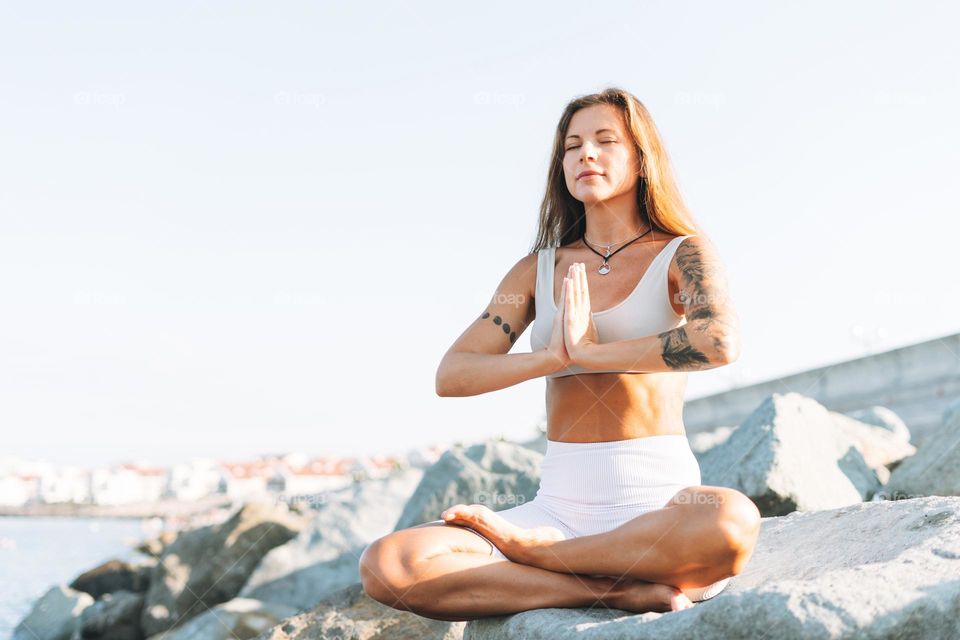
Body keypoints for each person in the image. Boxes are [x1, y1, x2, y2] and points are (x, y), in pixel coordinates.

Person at [359, 87, 761, 621]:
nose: (585, 155)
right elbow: (452, 374)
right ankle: (607, 590)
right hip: (557, 508)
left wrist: (590, 353)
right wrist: (550, 360)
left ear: (642, 161)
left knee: (730, 521)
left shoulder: (682, 252)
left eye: (604, 140)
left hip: (659, 504)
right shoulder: (535, 270)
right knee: (390, 563)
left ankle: (545, 559)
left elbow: (718, 342)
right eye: (572, 146)